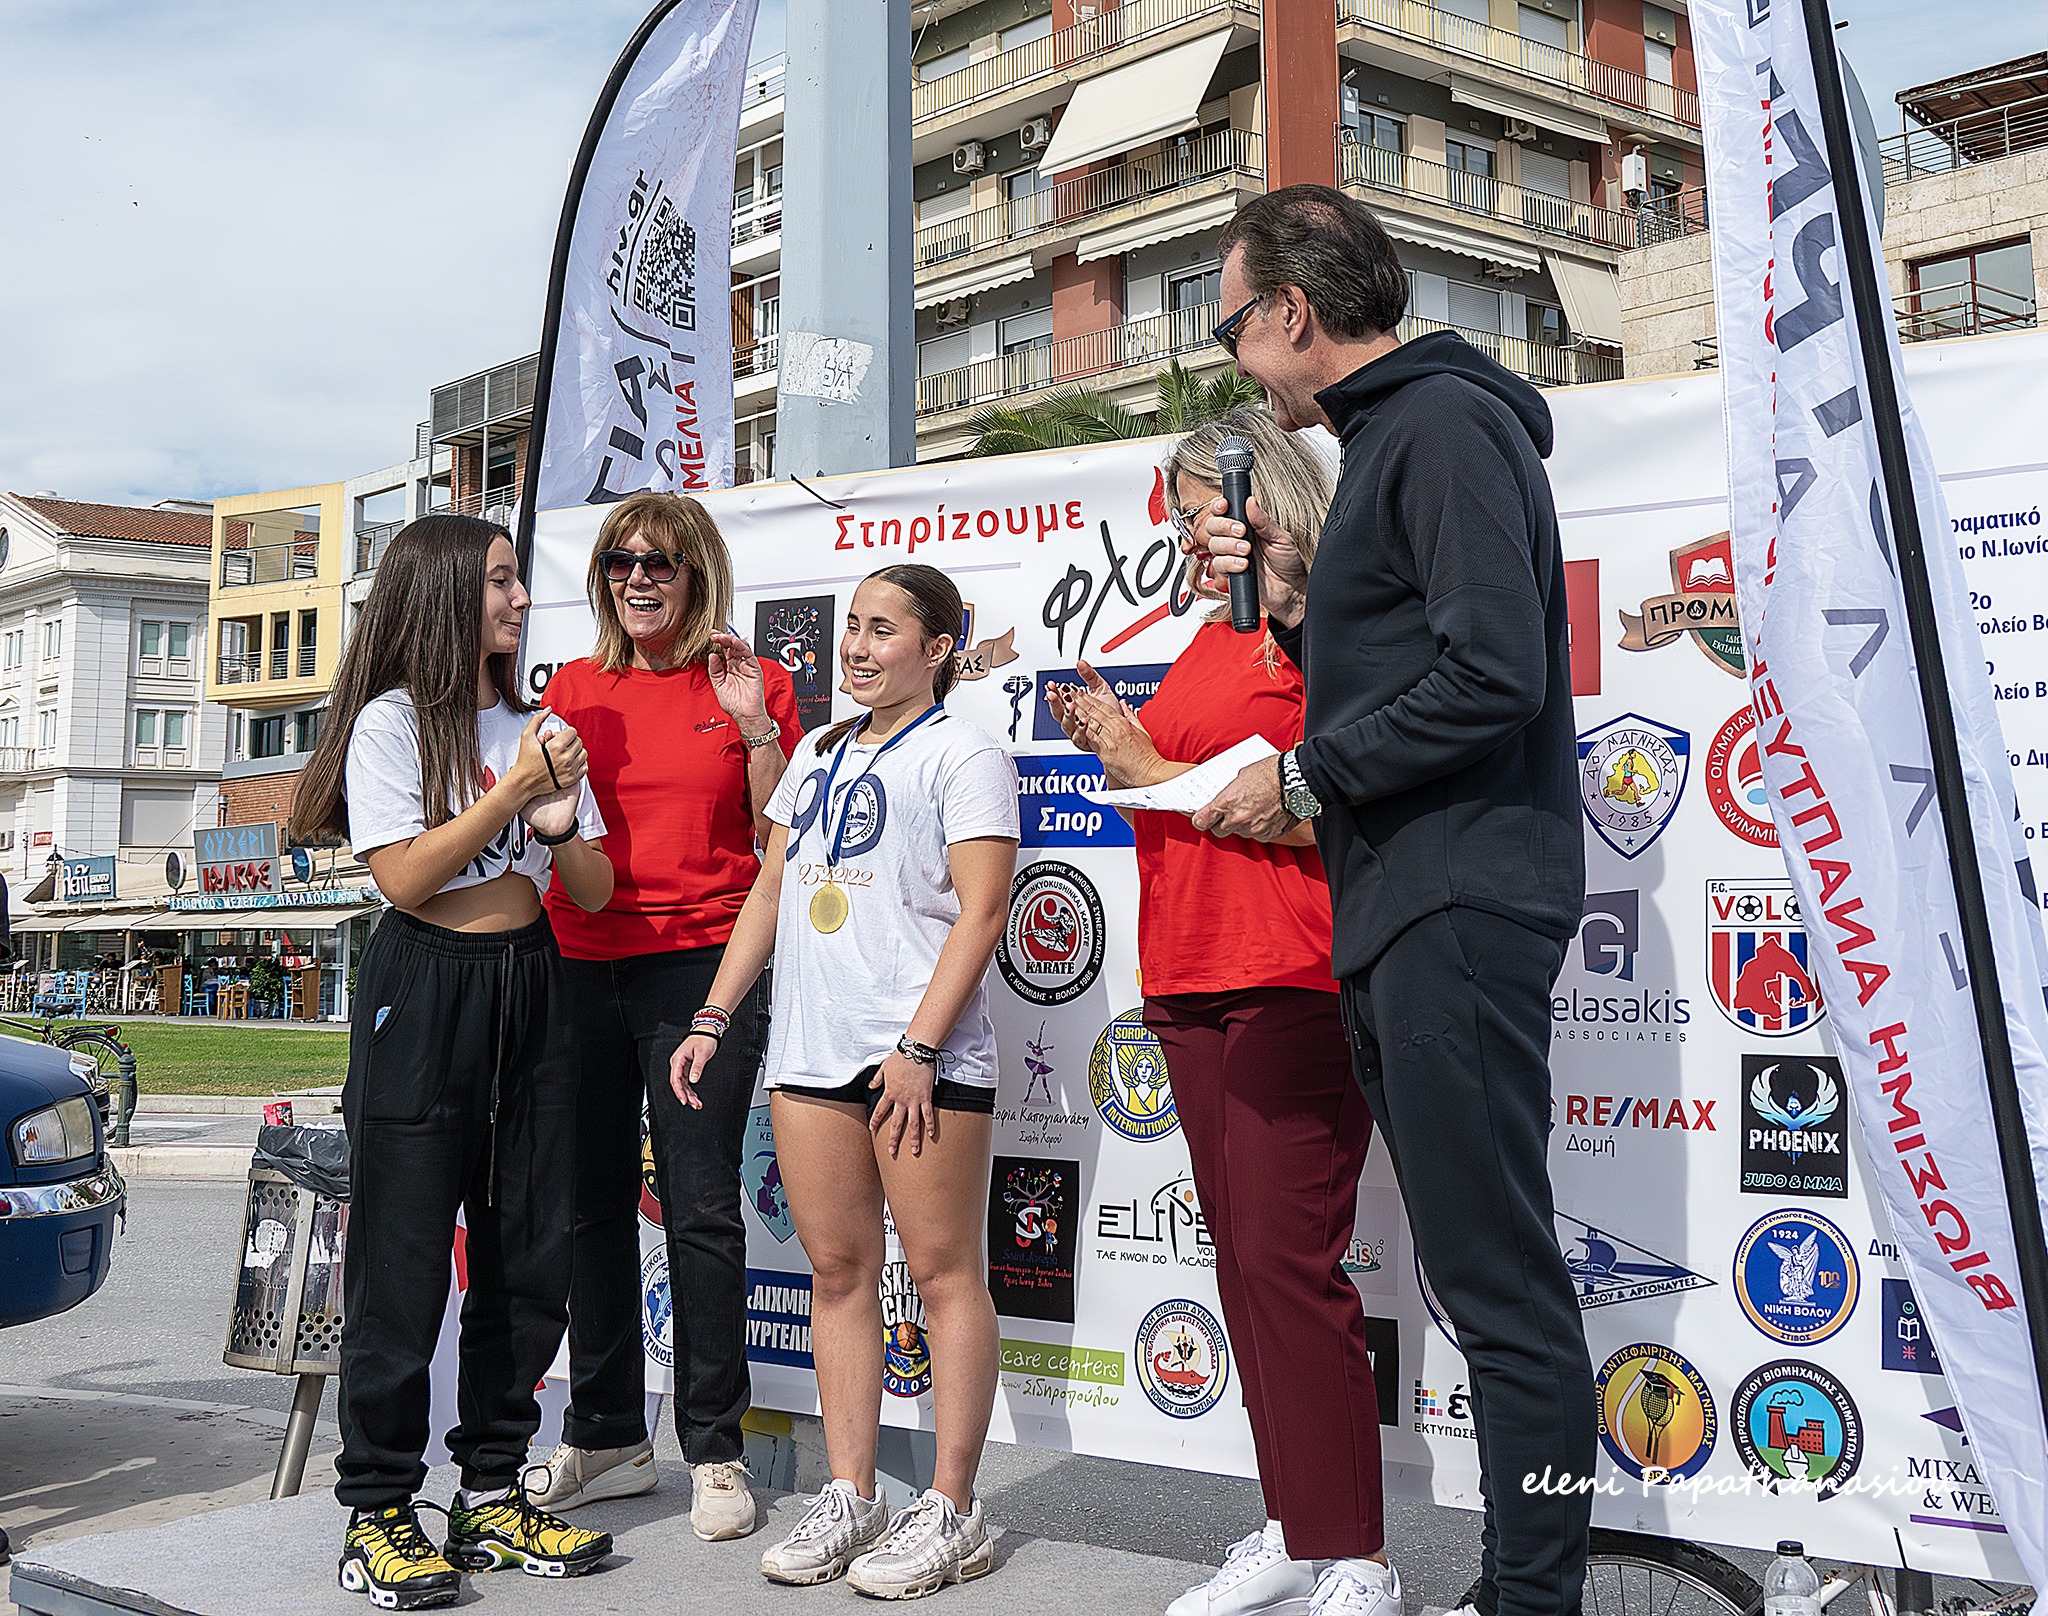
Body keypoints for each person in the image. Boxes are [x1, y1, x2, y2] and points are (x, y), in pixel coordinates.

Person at [1194, 186, 1595, 1616]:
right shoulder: (1393, 441)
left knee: (1498, 1284)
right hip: (1410, 901)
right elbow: (1421, 662)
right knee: (1481, 1278)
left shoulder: (1435, 427)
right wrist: (1300, 610)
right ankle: (1513, 1587)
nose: (1234, 358)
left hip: (1452, 900)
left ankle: (1530, 1598)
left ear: (1292, 311)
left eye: (1231, 326)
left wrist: (1307, 779)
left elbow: (1494, 675)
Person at [1047, 407, 1396, 1616]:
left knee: (1286, 1263)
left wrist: (1149, 770)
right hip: (1188, 975)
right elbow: (1195, 794)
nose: (1192, 536)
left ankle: (1358, 1554)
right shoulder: (1208, 640)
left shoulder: (1325, 630)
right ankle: (1296, 1526)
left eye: (1206, 509)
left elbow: (1327, 813)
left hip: (1292, 972)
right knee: (1248, 1268)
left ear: (1268, 500)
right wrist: (1126, 750)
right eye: (1183, 516)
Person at [669, 563, 1019, 1601]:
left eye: (880, 629)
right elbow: (770, 889)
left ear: (938, 647)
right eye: (850, 628)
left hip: (919, 1058)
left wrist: (918, 1047)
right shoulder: (817, 751)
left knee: (944, 1275)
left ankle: (953, 1507)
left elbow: (984, 910)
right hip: (810, 1054)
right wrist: (713, 1015)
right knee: (835, 1273)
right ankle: (851, 1490)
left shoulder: (965, 753)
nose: (855, 648)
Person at [290, 514, 618, 1610]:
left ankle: (490, 1490)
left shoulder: (539, 727)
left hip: (534, 981)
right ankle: (379, 1509)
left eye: (518, 580)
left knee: (527, 1249)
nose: (520, 598)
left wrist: (560, 822)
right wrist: (511, 793)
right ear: (440, 596)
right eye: (498, 581)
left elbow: (594, 890)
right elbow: (404, 876)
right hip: (425, 986)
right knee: (405, 1255)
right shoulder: (393, 723)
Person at [524, 492, 799, 1541]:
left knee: (700, 1205)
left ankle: (714, 1448)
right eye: (619, 561)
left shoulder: (751, 681)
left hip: (701, 967)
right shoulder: (572, 688)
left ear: (697, 573)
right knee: (587, 1204)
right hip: (577, 960)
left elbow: (780, 838)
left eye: (660, 561)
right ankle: (604, 1436)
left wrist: (756, 729)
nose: (637, 577)